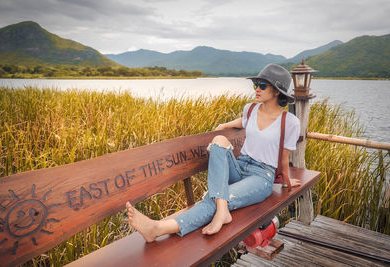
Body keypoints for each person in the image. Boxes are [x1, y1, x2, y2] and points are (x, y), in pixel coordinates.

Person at [126, 63, 301, 242]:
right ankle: (222, 210)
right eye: (255, 84)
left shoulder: (290, 122)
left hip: (261, 176)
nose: (256, 88)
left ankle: (158, 228)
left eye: (262, 85)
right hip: (239, 167)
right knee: (218, 141)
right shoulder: (250, 109)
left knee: (217, 198)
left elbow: (284, 159)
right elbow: (243, 121)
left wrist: (286, 183)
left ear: (277, 91)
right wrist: (224, 126)